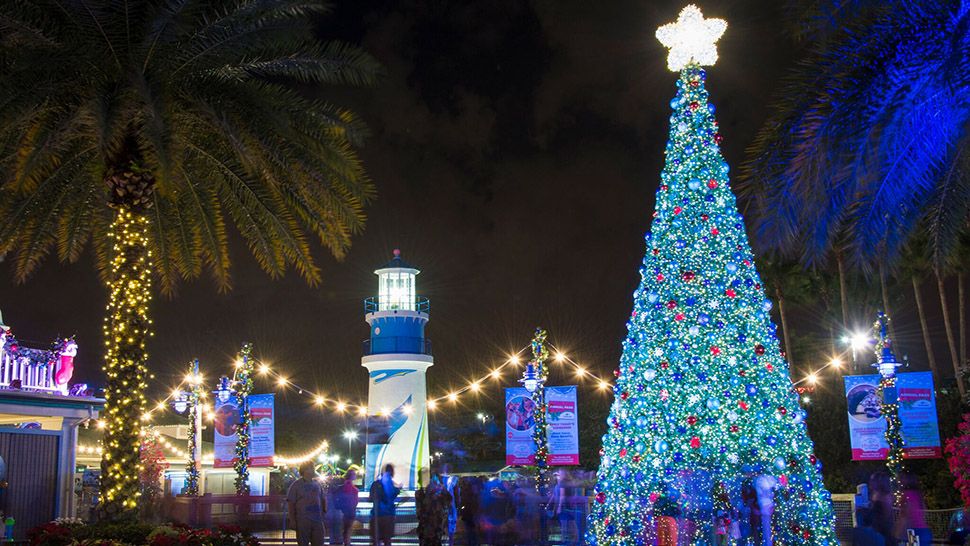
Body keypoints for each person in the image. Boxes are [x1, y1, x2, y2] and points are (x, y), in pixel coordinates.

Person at [288, 461, 327, 546]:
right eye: (311, 468)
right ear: (305, 470)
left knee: (319, 542)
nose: (313, 470)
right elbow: (291, 503)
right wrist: (292, 520)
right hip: (302, 521)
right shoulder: (296, 485)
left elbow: (322, 499)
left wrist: (324, 513)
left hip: (317, 520)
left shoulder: (317, 484)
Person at [416, 474, 453, 546]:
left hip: (432, 528)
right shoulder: (421, 493)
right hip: (429, 528)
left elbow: (448, 499)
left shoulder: (423, 493)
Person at [896, 473, 932, 545]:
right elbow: (923, 512)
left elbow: (904, 515)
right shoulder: (918, 494)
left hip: (912, 531)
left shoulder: (905, 495)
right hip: (924, 530)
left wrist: (897, 531)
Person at [370, 464, 400, 546]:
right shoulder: (390, 482)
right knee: (387, 539)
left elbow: (371, 497)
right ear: (392, 472)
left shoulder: (376, 483)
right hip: (388, 514)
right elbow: (391, 495)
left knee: (376, 539)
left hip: (376, 514)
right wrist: (398, 489)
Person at [335, 468, 360, 546]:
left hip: (346, 510)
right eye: (354, 474)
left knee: (347, 528)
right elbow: (350, 498)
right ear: (351, 476)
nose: (355, 475)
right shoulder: (349, 485)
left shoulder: (346, 485)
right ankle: (347, 543)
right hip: (350, 510)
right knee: (348, 529)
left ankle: (347, 542)